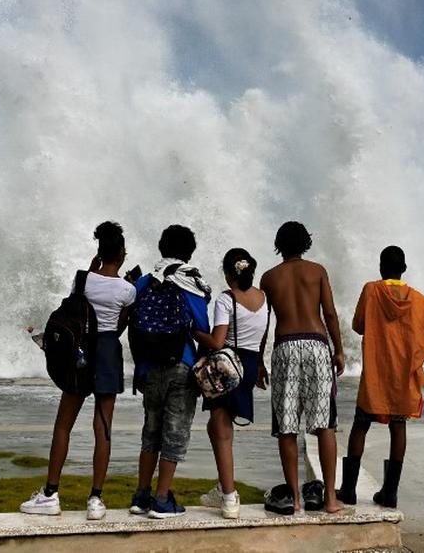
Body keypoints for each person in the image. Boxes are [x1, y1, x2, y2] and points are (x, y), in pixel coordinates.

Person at [21, 221, 137, 520]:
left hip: (79, 353)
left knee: (63, 425)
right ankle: (95, 500)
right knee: (103, 429)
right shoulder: (127, 289)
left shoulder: (82, 279)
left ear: (99, 252)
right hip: (108, 354)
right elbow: (121, 325)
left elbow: (76, 309)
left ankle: (50, 493)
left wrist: (89, 269)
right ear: (121, 254)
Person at [336, 245, 424, 509]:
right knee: (398, 427)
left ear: (380, 268)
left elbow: (358, 326)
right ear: (403, 270)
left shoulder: (371, 290)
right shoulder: (417, 300)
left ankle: (349, 490)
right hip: (403, 376)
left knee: (360, 425)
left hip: (376, 376)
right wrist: (422, 349)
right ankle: (390, 494)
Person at [260, 221, 346, 514]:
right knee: (325, 425)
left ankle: (296, 500)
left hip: (284, 347)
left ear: (278, 245)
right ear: (306, 244)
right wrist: (339, 350)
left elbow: (264, 323)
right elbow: (330, 314)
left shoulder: (269, 277)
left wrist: (259, 358)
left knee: (286, 428)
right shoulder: (317, 271)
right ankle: (331, 500)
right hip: (316, 345)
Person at [128, 224, 213, 519]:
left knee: (151, 431)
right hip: (181, 365)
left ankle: (141, 496)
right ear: (189, 252)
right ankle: (162, 499)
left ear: (161, 247)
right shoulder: (190, 283)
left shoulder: (144, 282)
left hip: (148, 368)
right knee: (175, 433)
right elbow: (203, 329)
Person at [197, 248, 270, 519]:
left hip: (227, 365)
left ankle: (228, 497)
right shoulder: (265, 299)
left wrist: (194, 331)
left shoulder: (226, 300)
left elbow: (217, 342)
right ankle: (223, 486)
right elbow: (262, 338)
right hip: (249, 366)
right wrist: (260, 364)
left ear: (229, 274)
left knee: (222, 428)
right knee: (218, 426)